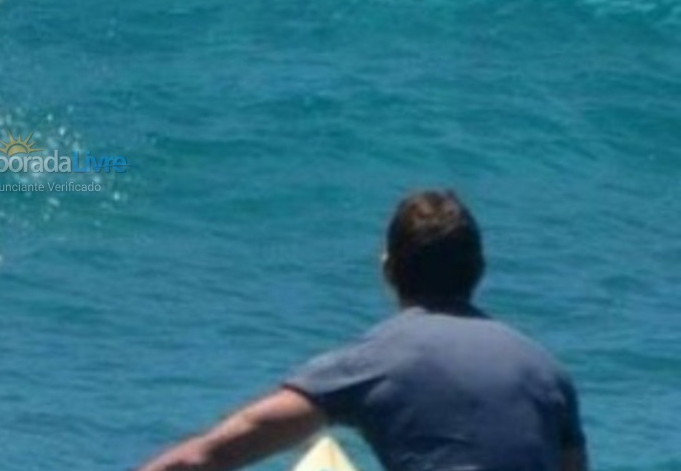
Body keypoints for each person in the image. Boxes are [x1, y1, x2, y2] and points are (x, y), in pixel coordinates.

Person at [134, 190, 588, 471]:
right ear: (480, 270)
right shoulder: (548, 373)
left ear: (388, 271)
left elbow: (209, 457)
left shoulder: (377, 362)